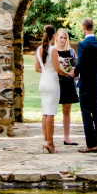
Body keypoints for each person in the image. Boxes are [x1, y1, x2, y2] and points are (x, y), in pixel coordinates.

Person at [74, 17, 97, 153]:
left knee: (86, 113)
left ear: (84, 28)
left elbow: (80, 64)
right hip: (96, 82)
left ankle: (91, 144)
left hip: (86, 83)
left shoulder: (82, 45)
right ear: (92, 27)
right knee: (96, 112)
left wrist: (74, 72)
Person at [34, 24, 60, 153]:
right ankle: (50, 142)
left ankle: (46, 140)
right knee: (51, 113)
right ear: (54, 35)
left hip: (43, 81)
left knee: (45, 112)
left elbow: (37, 68)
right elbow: (57, 68)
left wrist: (46, 70)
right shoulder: (53, 49)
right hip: (52, 82)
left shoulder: (39, 49)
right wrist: (68, 73)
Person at [54, 28, 79, 145]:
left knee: (66, 111)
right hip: (55, 82)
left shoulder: (71, 52)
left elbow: (76, 68)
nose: (62, 40)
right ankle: (50, 137)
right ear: (56, 37)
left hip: (68, 82)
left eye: (65, 38)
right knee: (51, 110)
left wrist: (72, 70)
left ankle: (66, 137)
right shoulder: (52, 51)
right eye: (61, 37)